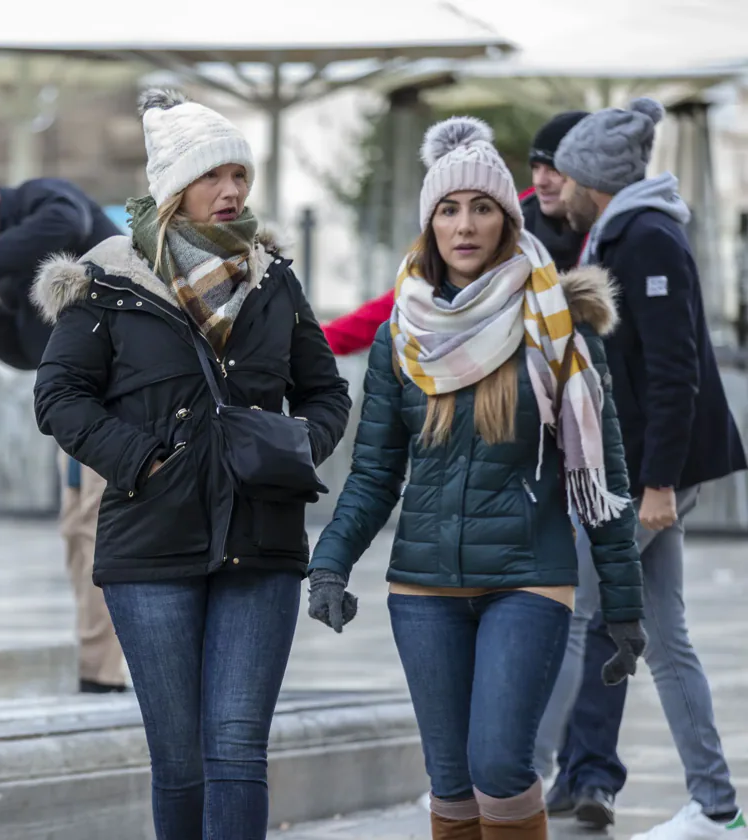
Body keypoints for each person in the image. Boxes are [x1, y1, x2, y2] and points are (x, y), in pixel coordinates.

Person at [307, 116, 645, 840]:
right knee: (450, 781)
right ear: (430, 222)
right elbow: (372, 473)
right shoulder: (403, 334)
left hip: (528, 575)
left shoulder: (558, 330)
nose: (465, 225)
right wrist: (329, 565)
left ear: (507, 218)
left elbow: (604, 475)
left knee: (498, 765)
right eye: (449, 209)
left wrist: (623, 606)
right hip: (422, 587)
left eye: (483, 207)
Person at [32, 88, 351, 839]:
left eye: (239, 174)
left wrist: (296, 445)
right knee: (179, 760)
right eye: (213, 176)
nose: (232, 190)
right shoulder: (108, 286)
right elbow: (59, 397)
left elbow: (327, 392)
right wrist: (144, 462)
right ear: (173, 187)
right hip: (150, 544)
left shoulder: (273, 279)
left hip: (262, 540)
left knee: (238, 748)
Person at [543, 97, 748, 839]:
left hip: (647, 478)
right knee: (666, 638)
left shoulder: (648, 238)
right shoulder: (619, 232)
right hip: (637, 473)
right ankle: (717, 806)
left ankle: (511, 786)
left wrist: (659, 482)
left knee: (564, 613)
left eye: (564, 175)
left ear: (593, 178)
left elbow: (674, 372)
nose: (553, 186)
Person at [0, 170, 127, 694]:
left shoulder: (43, 200)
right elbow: (32, 353)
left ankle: (103, 669)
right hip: (82, 404)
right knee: (77, 532)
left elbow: (66, 221)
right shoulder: (12, 265)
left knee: (96, 528)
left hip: (123, 392)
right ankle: (97, 665)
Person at [321, 110, 589, 356]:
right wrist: (320, 342)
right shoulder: (503, 223)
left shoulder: (610, 235)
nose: (541, 180)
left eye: (554, 169)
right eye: (535, 167)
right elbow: (405, 298)